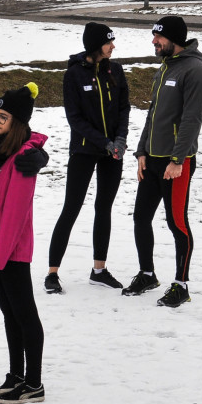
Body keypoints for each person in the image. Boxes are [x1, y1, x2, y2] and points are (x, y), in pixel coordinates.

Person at [122, 16, 202, 308]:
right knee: (140, 218)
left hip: (177, 164)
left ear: (174, 39)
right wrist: (141, 151)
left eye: (158, 37)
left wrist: (178, 159)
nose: (154, 42)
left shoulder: (195, 70)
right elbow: (153, 115)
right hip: (153, 159)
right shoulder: (165, 68)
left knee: (177, 223)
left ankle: (181, 284)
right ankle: (147, 274)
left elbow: (191, 120)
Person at [45, 22, 130, 294]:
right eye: (109, 42)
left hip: (112, 152)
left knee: (103, 208)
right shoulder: (74, 75)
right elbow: (75, 119)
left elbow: (124, 108)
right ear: (96, 45)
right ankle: (52, 273)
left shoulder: (115, 70)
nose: (113, 46)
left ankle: (99, 270)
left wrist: (119, 141)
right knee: (71, 207)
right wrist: (103, 141)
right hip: (84, 150)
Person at [0, 83, 48, 404]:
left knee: (25, 316)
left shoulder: (23, 159)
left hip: (11, 252)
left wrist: (1, 257)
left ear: (17, 123)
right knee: (10, 315)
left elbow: (15, 214)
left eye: (3, 117)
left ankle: (34, 383)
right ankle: (16, 373)